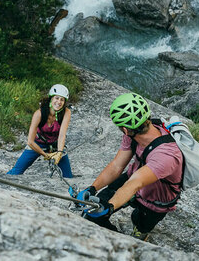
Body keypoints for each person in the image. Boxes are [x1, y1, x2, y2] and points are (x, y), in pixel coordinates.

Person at [73, 92, 183, 238]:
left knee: (140, 224)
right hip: (133, 178)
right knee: (93, 215)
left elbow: (135, 183)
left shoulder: (166, 155)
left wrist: (110, 207)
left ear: (125, 129)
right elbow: (117, 166)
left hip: (155, 200)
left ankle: (134, 235)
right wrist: (92, 188)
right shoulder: (132, 133)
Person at [7, 84, 73, 177]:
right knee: (16, 171)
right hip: (38, 144)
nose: (59, 102)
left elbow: (62, 134)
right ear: (51, 98)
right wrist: (45, 155)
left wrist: (59, 153)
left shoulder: (66, 112)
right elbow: (30, 141)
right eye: (56, 98)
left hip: (55, 144)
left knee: (68, 176)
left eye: (62, 99)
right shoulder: (39, 114)